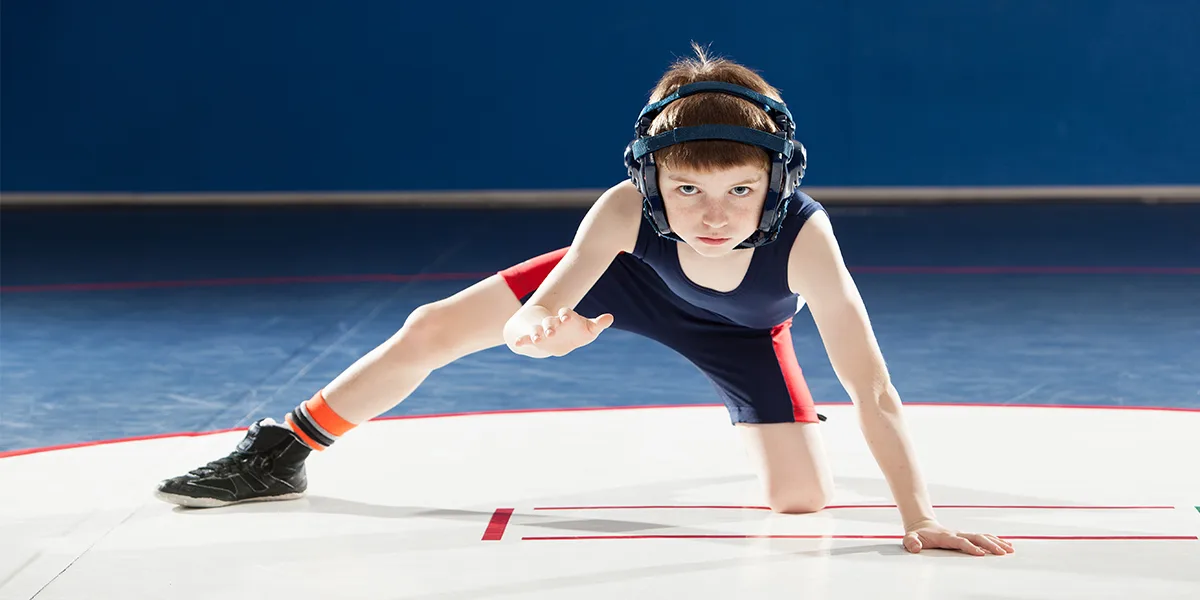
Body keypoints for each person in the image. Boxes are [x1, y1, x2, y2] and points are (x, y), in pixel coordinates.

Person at [155, 44, 1013, 557]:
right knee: (433, 327)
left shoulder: (807, 238)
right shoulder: (620, 211)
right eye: (687, 191)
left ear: (777, 186)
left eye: (739, 193)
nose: (713, 218)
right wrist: (538, 335)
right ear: (651, 182)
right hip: (624, 284)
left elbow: (872, 386)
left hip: (746, 333)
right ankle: (285, 446)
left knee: (800, 501)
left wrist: (920, 515)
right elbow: (545, 307)